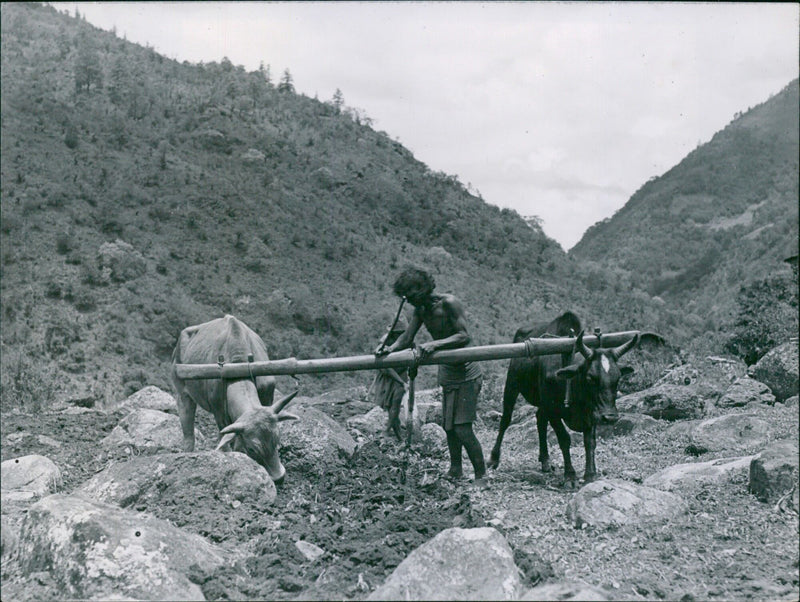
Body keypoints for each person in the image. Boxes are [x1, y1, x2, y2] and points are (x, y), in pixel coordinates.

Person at [376, 266, 487, 487]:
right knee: (449, 427)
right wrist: (389, 348)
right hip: (447, 372)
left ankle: (482, 475)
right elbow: (407, 338)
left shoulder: (449, 303)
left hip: (466, 372)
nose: (410, 303)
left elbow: (464, 336)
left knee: (463, 429)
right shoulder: (421, 311)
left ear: (423, 290)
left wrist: (434, 344)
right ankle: (455, 469)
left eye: (412, 297)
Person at [370, 316, 408, 440]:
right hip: (389, 375)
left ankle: (387, 431)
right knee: (392, 408)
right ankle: (398, 436)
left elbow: (413, 353)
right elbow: (385, 367)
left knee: (396, 404)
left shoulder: (407, 339)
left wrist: (405, 380)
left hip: (401, 372)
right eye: (398, 333)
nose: (400, 335)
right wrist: (400, 381)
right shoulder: (385, 341)